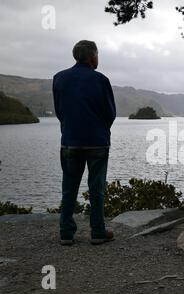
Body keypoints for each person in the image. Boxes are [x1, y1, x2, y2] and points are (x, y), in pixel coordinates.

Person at [53, 40, 116, 246]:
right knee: (96, 189)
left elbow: (60, 111)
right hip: (97, 142)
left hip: (70, 141)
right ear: (92, 57)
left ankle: (66, 233)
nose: (98, 59)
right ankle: (97, 232)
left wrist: (69, 127)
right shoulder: (101, 80)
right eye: (97, 55)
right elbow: (110, 113)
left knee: (69, 188)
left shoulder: (59, 78)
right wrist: (100, 129)